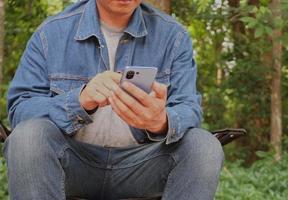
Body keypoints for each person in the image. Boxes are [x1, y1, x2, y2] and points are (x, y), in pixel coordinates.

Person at [3, 0, 224, 199]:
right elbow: (21, 109)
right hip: (71, 162)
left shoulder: (173, 37)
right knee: (28, 137)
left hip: (143, 166)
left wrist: (161, 121)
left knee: (204, 145)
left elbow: (189, 108)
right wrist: (78, 101)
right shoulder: (50, 33)